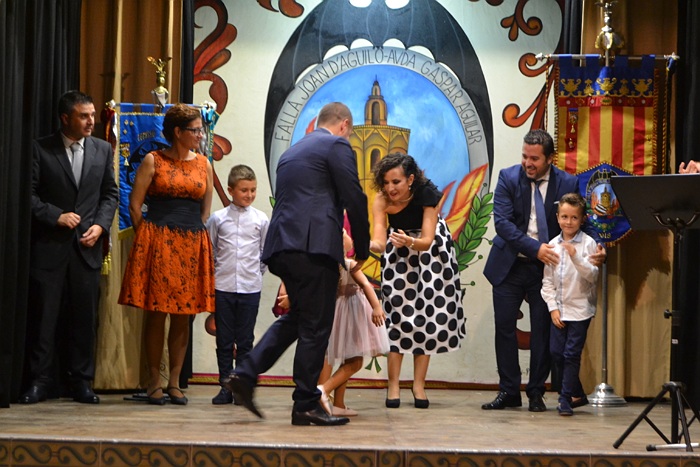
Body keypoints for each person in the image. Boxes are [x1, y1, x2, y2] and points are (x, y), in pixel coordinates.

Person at [223, 102, 370, 426]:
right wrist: (362, 247)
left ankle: (245, 373)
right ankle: (305, 404)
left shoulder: (291, 153)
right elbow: (354, 196)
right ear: (344, 125)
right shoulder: (336, 145)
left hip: (283, 247)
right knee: (316, 327)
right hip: (313, 247)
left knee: (300, 318)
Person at [482, 129, 605, 412]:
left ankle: (536, 392)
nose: (528, 163)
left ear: (550, 158)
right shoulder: (507, 177)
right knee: (505, 328)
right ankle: (508, 391)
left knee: (542, 332)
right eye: (525, 156)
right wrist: (535, 248)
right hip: (510, 265)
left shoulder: (567, 182)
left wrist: (599, 245)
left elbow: (584, 221)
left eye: (535, 158)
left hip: (546, 269)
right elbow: (503, 224)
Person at [22, 90, 119, 404]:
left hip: (86, 250)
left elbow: (110, 194)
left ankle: (81, 382)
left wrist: (100, 226)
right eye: (83, 116)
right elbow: (27, 195)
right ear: (65, 118)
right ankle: (40, 381)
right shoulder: (40, 148)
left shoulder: (102, 149)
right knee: (44, 318)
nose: (91, 121)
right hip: (49, 249)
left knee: (84, 320)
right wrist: (56, 216)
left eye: (92, 115)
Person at [119, 103, 215, 406]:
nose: (200, 135)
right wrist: (149, 239)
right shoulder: (153, 160)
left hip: (191, 243)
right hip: (159, 241)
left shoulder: (204, 164)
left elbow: (205, 210)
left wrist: (193, 237)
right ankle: (153, 382)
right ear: (177, 132)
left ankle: (174, 382)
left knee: (183, 316)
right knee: (156, 313)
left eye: (200, 130)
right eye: (195, 130)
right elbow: (135, 205)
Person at [370, 152, 466, 409]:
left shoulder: (427, 194)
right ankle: (393, 385)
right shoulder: (381, 199)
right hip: (398, 253)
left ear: (410, 179)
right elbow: (379, 239)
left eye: (396, 182)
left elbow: (426, 240)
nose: (390, 188)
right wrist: (367, 245)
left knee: (426, 318)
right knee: (396, 318)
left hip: (430, 254)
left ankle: (418, 385)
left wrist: (409, 241)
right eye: (386, 182)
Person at [206, 164, 269, 405]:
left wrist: (255, 274)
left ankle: (241, 387)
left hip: (250, 288)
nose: (249, 195)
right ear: (231, 190)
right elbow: (211, 250)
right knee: (224, 340)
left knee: (245, 341)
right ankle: (225, 387)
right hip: (223, 287)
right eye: (244, 190)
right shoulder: (218, 219)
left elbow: (264, 252)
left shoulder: (261, 219)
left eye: (253, 190)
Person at [318, 228, 389, 416]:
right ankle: (323, 390)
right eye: (344, 234)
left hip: (339, 314)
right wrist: (376, 307)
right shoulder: (349, 264)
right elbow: (366, 285)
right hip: (352, 315)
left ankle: (339, 404)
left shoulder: (328, 267)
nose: (348, 236)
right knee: (355, 362)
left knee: (346, 359)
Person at [541, 192, 599, 416]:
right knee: (556, 353)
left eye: (574, 217)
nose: (569, 222)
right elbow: (547, 282)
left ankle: (565, 398)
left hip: (580, 310)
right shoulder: (552, 245)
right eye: (564, 217)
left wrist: (575, 256)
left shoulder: (588, 244)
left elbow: (592, 275)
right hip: (560, 311)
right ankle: (578, 393)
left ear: (582, 219)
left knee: (571, 355)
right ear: (557, 218)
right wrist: (553, 308)